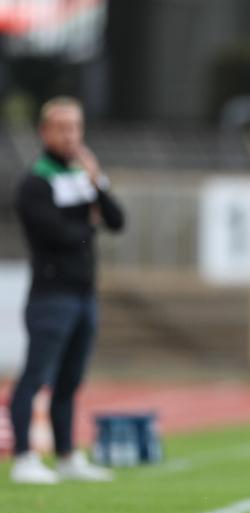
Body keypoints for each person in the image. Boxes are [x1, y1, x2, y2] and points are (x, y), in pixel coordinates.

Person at [8, 96, 124, 484]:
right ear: (45, 132)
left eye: (75, 127)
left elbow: (116, 219)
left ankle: (66, 454)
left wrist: (98, 182)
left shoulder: (80, 176)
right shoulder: (35, 181)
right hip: (50, 295)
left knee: (71, 378)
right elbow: (59, 235)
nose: (70, 135)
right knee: (36, 375)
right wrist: (88, 224)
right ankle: (24, 456)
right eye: (62, 128)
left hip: (84, 293)